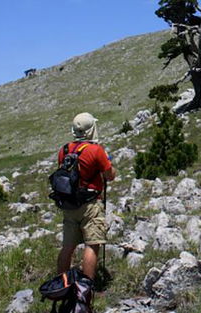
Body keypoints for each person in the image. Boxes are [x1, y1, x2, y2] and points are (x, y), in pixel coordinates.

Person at [56, 112, 117, 280]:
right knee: (92, 245)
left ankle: (62, 283)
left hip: (69, 204)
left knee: (68, 246)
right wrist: (108, 162)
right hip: (90, 204)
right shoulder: (96, 150)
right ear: (91, 130)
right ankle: (86, 288)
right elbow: (110, 175)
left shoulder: (64, 150)